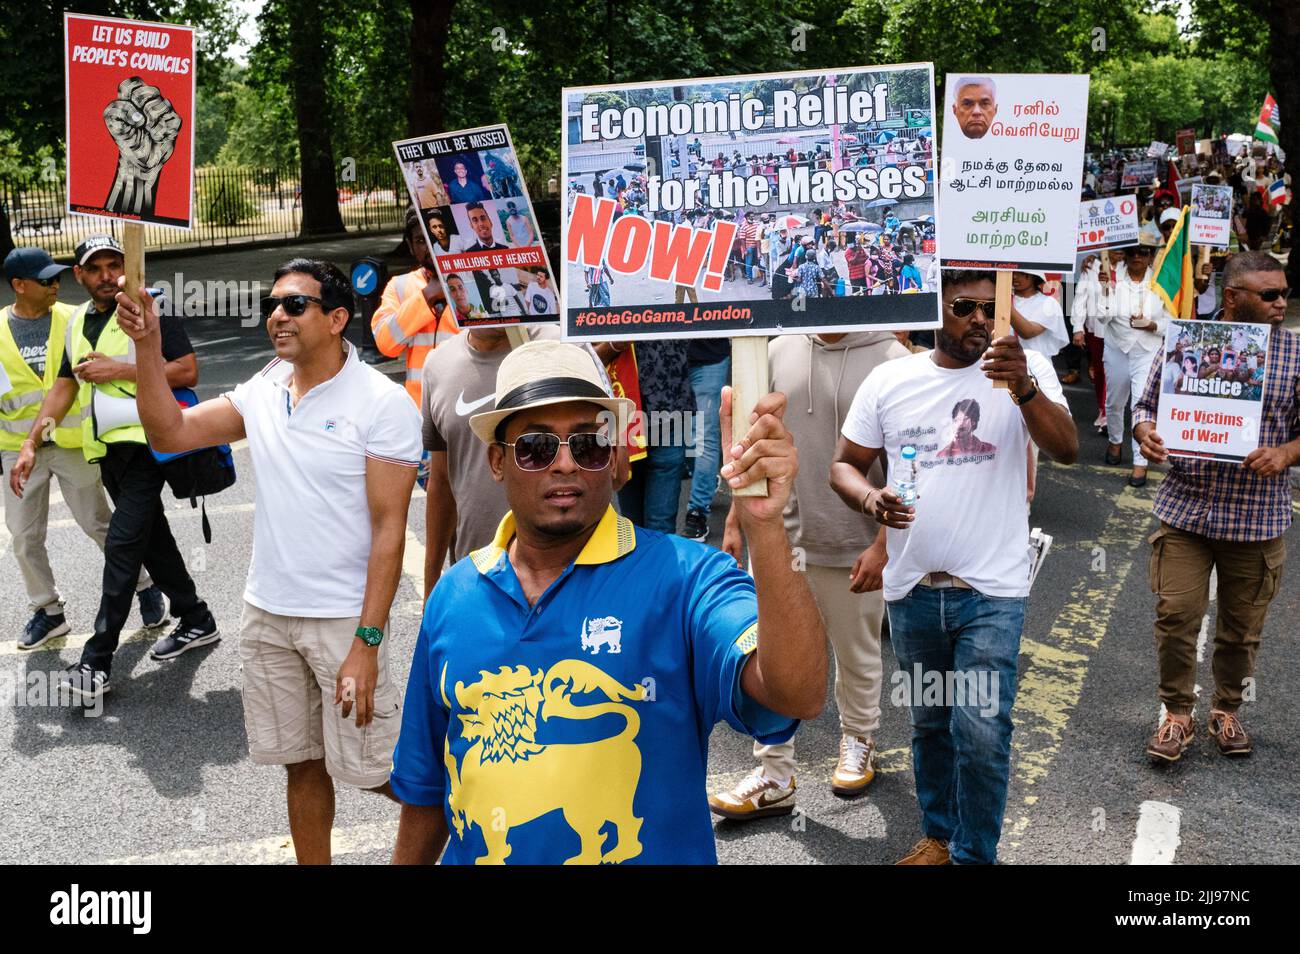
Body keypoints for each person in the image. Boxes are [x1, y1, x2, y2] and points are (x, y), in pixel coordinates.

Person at [388, 340, 826, 864]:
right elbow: (428, 789)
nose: (566, 464)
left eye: (590, 443)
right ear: (498, 461)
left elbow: (797, 694)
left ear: (616, 456)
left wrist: (766, 525)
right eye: (536, 446)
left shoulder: (688, 577)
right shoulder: (453, 597)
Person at [115, 257, 422, 863]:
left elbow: (391, 531)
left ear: (336, 319)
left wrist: (367, 640)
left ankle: (467, 825)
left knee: (378, 769)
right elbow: (168, 433)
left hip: (343, 622)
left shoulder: (382, 404)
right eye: (272, 306)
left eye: (294, 306)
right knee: (301, 766)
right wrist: (146, 345)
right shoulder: (264, 388)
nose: (277, 317)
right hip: (268, 614)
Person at [830, 271, 1078, 865]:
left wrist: (1021, 388)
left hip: (991, 590)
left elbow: (1068, 447)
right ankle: (940, 836)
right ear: (933, 313)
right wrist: (871, 499)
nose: (978, 319)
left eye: (990, 308)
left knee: (983, 732)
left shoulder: (1029, 373)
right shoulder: (891, 379)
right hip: (912, 589)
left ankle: (974, 854)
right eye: (963, 307)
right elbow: (844, 465)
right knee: (931, 725)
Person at [710, 330, 909, 818]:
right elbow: (747, 444)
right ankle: (774, 772)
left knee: (856, 652)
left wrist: (884, 545)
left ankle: (858, 739)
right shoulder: (777, 350)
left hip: (855, 537)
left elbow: (911, 460)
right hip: (780, 537)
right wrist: (737, 517)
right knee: (771, 656)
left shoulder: (893, 358)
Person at [8, 235, 216, 699]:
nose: (106, 275)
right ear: (79, 275)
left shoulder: (151, 304)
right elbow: (64, 387)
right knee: (154, 542)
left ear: (129, 267)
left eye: (114, 265)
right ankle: (197, 618)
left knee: (122, 546)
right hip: (108, 452)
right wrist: (30, 442)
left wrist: (119, 371)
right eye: (95, 268)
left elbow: (185, 370)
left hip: (150, 444)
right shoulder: (79, 320)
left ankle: (95, 664)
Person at [1133, 251, 1299, 762]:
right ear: (1232, 297)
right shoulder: (1187, 341)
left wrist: (1286, 452)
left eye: (1284, 293)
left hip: (1257, 517)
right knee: (1176, 615)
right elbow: (1146, 407)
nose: (1281, 303)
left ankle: (1227, 710)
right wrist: (1146, 434)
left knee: (1240, 631)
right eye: (1268, 295)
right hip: (1187, 510)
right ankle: (1176, 715)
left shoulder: (1294, 353)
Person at [2, 247, 165, 649]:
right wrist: (23, 445)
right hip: (18, 449)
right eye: (44, 280)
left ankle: (145, 585)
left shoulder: (78, 317)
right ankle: (48, 611)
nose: (54, 284)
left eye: (57, 277)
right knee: (23, 536)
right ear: (19, 286)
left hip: (74, 442)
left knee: (100, 524)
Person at [371, 209, 460, 405]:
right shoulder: (399, 286)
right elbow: (386, 345)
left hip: (467, 403)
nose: (431, 246)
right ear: (410, 247)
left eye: (438, 235)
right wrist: (427, 295)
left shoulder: (477, 283)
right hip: (419, 408)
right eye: (421, 241)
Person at [1101, 238, 1168, 487]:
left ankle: (1141, 463)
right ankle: (1115, 441)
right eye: (1133, 252)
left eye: (1143, 252)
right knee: (1115, 401)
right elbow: (1101, 316)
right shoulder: (1111, 275)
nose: (1137, 257)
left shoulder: (1162, 280)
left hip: (1147, 350)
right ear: (1125, 255)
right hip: (1117, 347)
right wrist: (1105, 290)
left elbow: (1173, 320)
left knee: (1142, 404)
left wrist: (1151, 325)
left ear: (1150, 256)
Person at [681, 338, 729, 542]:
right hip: (708, 354)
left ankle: (697, 512)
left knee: (697, 435)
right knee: (699, 435)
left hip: (675, 355)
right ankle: (697, 513)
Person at [1009, 270, 1069, 360]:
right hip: (1005, 366)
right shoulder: (1001, 299)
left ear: (1034, 275)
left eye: (1021, 273)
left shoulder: (1048, 303)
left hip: (1036, 367)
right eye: (1012, 272)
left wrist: (1004, 303)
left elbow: (1028, 332)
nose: (1014, 276)